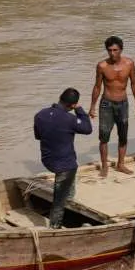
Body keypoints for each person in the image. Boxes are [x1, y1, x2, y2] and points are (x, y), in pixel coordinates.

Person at [33, 88, 94, 228]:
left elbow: (38, 136)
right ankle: (55, 226)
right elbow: (87, 129)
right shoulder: (70, 119)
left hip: (47, 160)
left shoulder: (40, 115)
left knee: (69, 169)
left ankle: (68, 197)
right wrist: (80, 111)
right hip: (64, 165)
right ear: (73, 105)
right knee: (59, 198)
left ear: (60, 98)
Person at [88, 36, 135, 177]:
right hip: (106, 104)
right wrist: (92, 106)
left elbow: (134, 84)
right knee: (104, 136)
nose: (112, 53)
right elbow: (97, 87)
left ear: (121, 50)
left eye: (115, 50)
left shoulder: (129, 64)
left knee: (123, 135)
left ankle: (121, 164)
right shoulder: (102, 66)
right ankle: (104, 166)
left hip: (123, 104)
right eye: (110, 50)